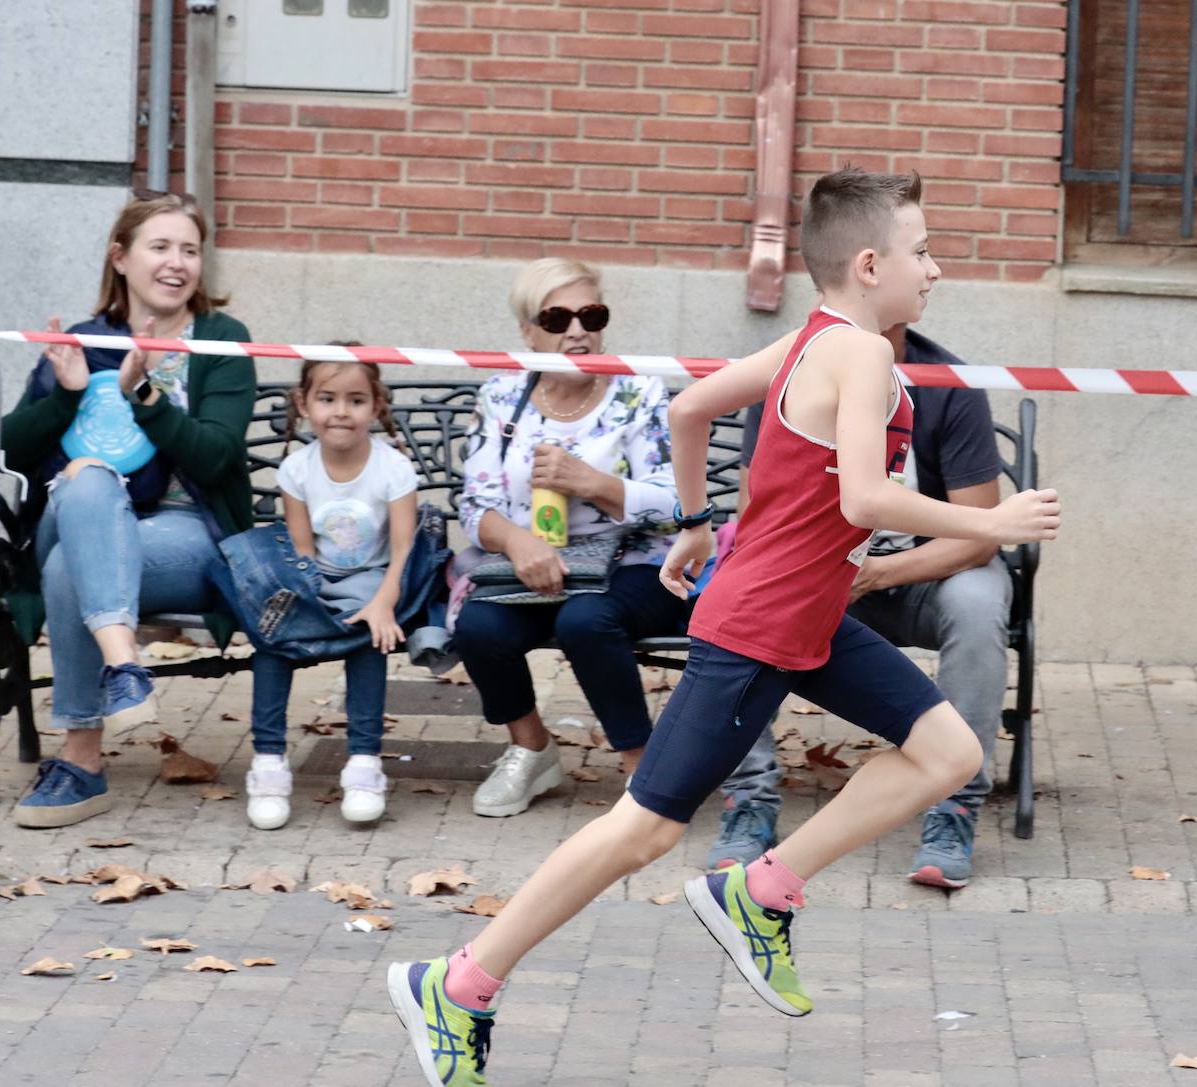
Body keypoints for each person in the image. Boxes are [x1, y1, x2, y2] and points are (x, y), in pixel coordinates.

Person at [387, 167, 1061, 1084]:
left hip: (809, 615)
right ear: (870, 265)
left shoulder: (813, 338)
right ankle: (456, 982)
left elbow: (687, 407)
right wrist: (994, 521)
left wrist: (698, 520)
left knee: (948, 753)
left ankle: (762, 891)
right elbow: (865, 498)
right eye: (924, 251)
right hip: (759, 626)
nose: (935, 269)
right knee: (644, 830)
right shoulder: (859, 354)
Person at [706, 324, 1013, 890]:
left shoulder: (948, 380)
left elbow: (979, 536)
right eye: (917, 268)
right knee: (753, 593)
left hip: (920, 576)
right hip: (821, 577)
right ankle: (748, 799)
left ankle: (954, 806)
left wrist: (877, 573)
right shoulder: (793, 370)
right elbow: (757, 514)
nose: (931, 280)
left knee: (979, 598)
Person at [0, 190, 256, 828]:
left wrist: (145, 395)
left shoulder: (222, 341)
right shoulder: (84, 341)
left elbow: (217, 459)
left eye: (190, 250)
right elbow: (8, 448)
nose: (177, 263)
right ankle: (124, 664)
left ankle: (82, 763)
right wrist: (65, 397)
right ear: (121, 257)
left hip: (185, 533)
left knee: (68, 568)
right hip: (76, 517)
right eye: (160, 246)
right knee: (88, 482)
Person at [452, 257, 685, 818]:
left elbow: (677, 504)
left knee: (586, 620)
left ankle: (642, 770)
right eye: (557, 319)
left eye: (591, 316)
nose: (577, 331)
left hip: (634, 564)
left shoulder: (639, 393)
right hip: (535, 564)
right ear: (528, 332)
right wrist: (517, 543)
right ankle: (532, 750)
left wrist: (593, 483)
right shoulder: (503, 394)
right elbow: (474, 504)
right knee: (478, 626)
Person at [240, 358, 418, 830]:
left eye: (356, 400)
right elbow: (302, 552)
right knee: (272, 637)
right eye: (327, 399)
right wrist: (306, 605)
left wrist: (382, 603)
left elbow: (404, 549)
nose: (341, 411)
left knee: (368, 634)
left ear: (375, 407)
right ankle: (268, 763)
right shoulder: (297, 469)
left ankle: (364, 764)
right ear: (304, 405)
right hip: (315, 576)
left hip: (375, 576)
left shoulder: (393, 468)